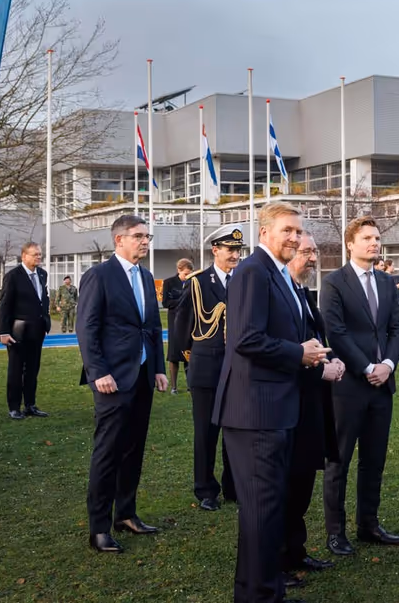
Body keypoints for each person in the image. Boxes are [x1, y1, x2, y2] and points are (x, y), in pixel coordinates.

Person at [213, 201, 328, 602]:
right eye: (287, 230)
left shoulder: (277, 274)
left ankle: (260, 591)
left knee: (266, 512)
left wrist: (307, 352)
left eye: (298, 231)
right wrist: (299, 353)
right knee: (262, 513)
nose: (295, 238)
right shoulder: (252, 272)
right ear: (264, 233)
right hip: (255, 412)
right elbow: (245, 339)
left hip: (276, 409)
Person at [76, 215, 170, 554]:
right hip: (111, 380)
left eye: (147, 236)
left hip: (142, 377)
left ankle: (126, 514)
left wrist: (158, 368)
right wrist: (98, 371)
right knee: (108, 452)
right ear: (119, 239)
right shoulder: (99, 275)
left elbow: (152, 327)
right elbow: (86, 327)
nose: (145, 241)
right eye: (138, 236)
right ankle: (99, 528)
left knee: (133, 448)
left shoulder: (145, 276)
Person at [320, 215, 399, 556]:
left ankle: (368, 525)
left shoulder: (386, 282)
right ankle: (335, 532)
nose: (374, 243)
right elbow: (336, 332)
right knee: (339, 461)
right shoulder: (334, 283)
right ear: (350, 244)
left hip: (382, 386)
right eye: (367, 238)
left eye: (377, 238)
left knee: (374, 460)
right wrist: (368, 367)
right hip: (348, 387)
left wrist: (387, 365)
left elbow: (396, 329)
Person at [283, 233, 344, 578]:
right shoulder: (279, 295)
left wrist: (332, 360)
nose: (312, 257)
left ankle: (296, 552)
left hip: (311, 404)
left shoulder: (303, 293)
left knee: (303, 483)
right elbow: (283, 351)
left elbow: (316, 342)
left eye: (314, 251)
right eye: (306, 251)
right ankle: (278, 560)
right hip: (289, 404)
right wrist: (322, 370)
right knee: (287, 487)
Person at [173, 227, 243, 512]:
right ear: (215, 250)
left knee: (236, 431)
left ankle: (234, 487)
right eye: (230, 250)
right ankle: (205, 490)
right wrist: (189, 360)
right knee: (206, 433)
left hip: (239, 368)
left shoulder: (244, 279)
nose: (235, 255)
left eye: (238, 250)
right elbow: (182, 326)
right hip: (206, 367)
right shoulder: (198, 282)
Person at [0, 242, 51, 420]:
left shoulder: (42, 274)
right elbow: (5, 305)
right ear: (24, 256)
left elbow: (43, 298)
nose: (39, 257)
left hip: (37, 330)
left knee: (32, 369)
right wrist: (4, 332)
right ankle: (14, 407)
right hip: (18, 331)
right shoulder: (13, 276)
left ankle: (30, 405)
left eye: (40, 254)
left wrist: (46, 321)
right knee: (16, 369)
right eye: (35, 254)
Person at [162, 258, 194, 394]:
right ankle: (174, 387)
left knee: (189, 354)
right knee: (174, 355)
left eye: (189, 274)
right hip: (174, 321)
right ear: (179, 270)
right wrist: (182, 302)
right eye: (185, 274)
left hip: (189, 322)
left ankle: (190, 385)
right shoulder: (169, 282)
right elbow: (166, 302)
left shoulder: (194, 282)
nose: (187, 276)